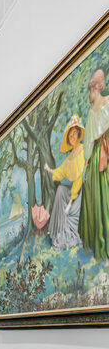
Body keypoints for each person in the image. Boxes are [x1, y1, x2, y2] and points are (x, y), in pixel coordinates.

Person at [79, 69, 109, 260]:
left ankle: (101, 241)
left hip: (100, 155)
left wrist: (85, 165)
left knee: (99, 196)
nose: (89, 96)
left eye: (89, 91)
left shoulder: (92, 113)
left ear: (94, 89)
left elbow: (89, 144)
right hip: (105, 151)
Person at [45, 115, 85, 250]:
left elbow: (79, 178)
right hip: (73, 191)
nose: (72, 137)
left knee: (65, 195)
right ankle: (58, 231)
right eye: (70, 136)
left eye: (74, 134)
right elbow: (61, 171)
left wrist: (70, 203)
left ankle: (67, 236)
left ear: (79, 134)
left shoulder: (82, 150)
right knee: (61, 189)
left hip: (80, 192)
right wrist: (49, 170)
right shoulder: (70, 156)